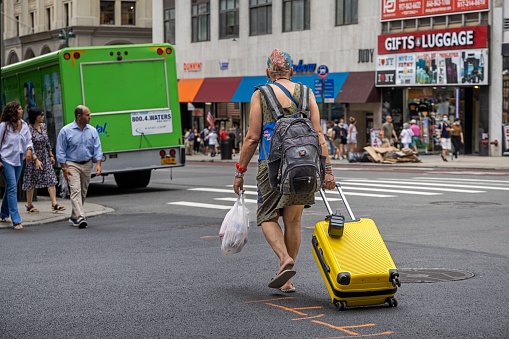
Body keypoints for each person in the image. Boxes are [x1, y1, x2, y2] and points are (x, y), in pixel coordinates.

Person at [232, 49, 336, 293]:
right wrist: (328, 170)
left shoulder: (261, 94)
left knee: (267, 216)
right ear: (292, 71)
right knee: (293, 221)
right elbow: (319, 133)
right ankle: (287, 280)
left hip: (272, 165)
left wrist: (240, 171)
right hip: (304, 166)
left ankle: (283, 259)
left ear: (268, 72)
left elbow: (251, 137)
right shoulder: (307, 93)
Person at [56, 105, 103, 228]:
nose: (90, 117)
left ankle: (73, 216)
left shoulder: (92, 130)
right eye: (87, 115)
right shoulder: (66, 131)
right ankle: (81, 217)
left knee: (82, 192)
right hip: (72, 164)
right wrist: (64, 168)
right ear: (79, 116)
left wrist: (98, 164)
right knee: (75, 190)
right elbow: (60, 151)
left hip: (87, 163)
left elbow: (97, 148)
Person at [22, 107, 65, 213]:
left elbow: (47, 142)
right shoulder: (29, 129)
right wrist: (35, 158)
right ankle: (29, 205)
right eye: (40, 115)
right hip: (33, 157)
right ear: (35, 117)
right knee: (31, 180)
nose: (43, 116)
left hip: (44, 156)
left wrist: (51, 155)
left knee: (51, 178)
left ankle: (54, 203)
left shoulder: (43, 126)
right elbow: (28, 145)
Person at [0, 101, 34, 230]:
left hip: (19, 158)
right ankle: (16, 220)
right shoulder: (4, 126)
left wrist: (29, 150)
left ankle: (3, 214)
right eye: (19, 109)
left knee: (11, 187)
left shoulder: (24, 124)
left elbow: (28, 140)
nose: (22, 110)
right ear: (13, 111)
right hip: (6, 159)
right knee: (13, 187)